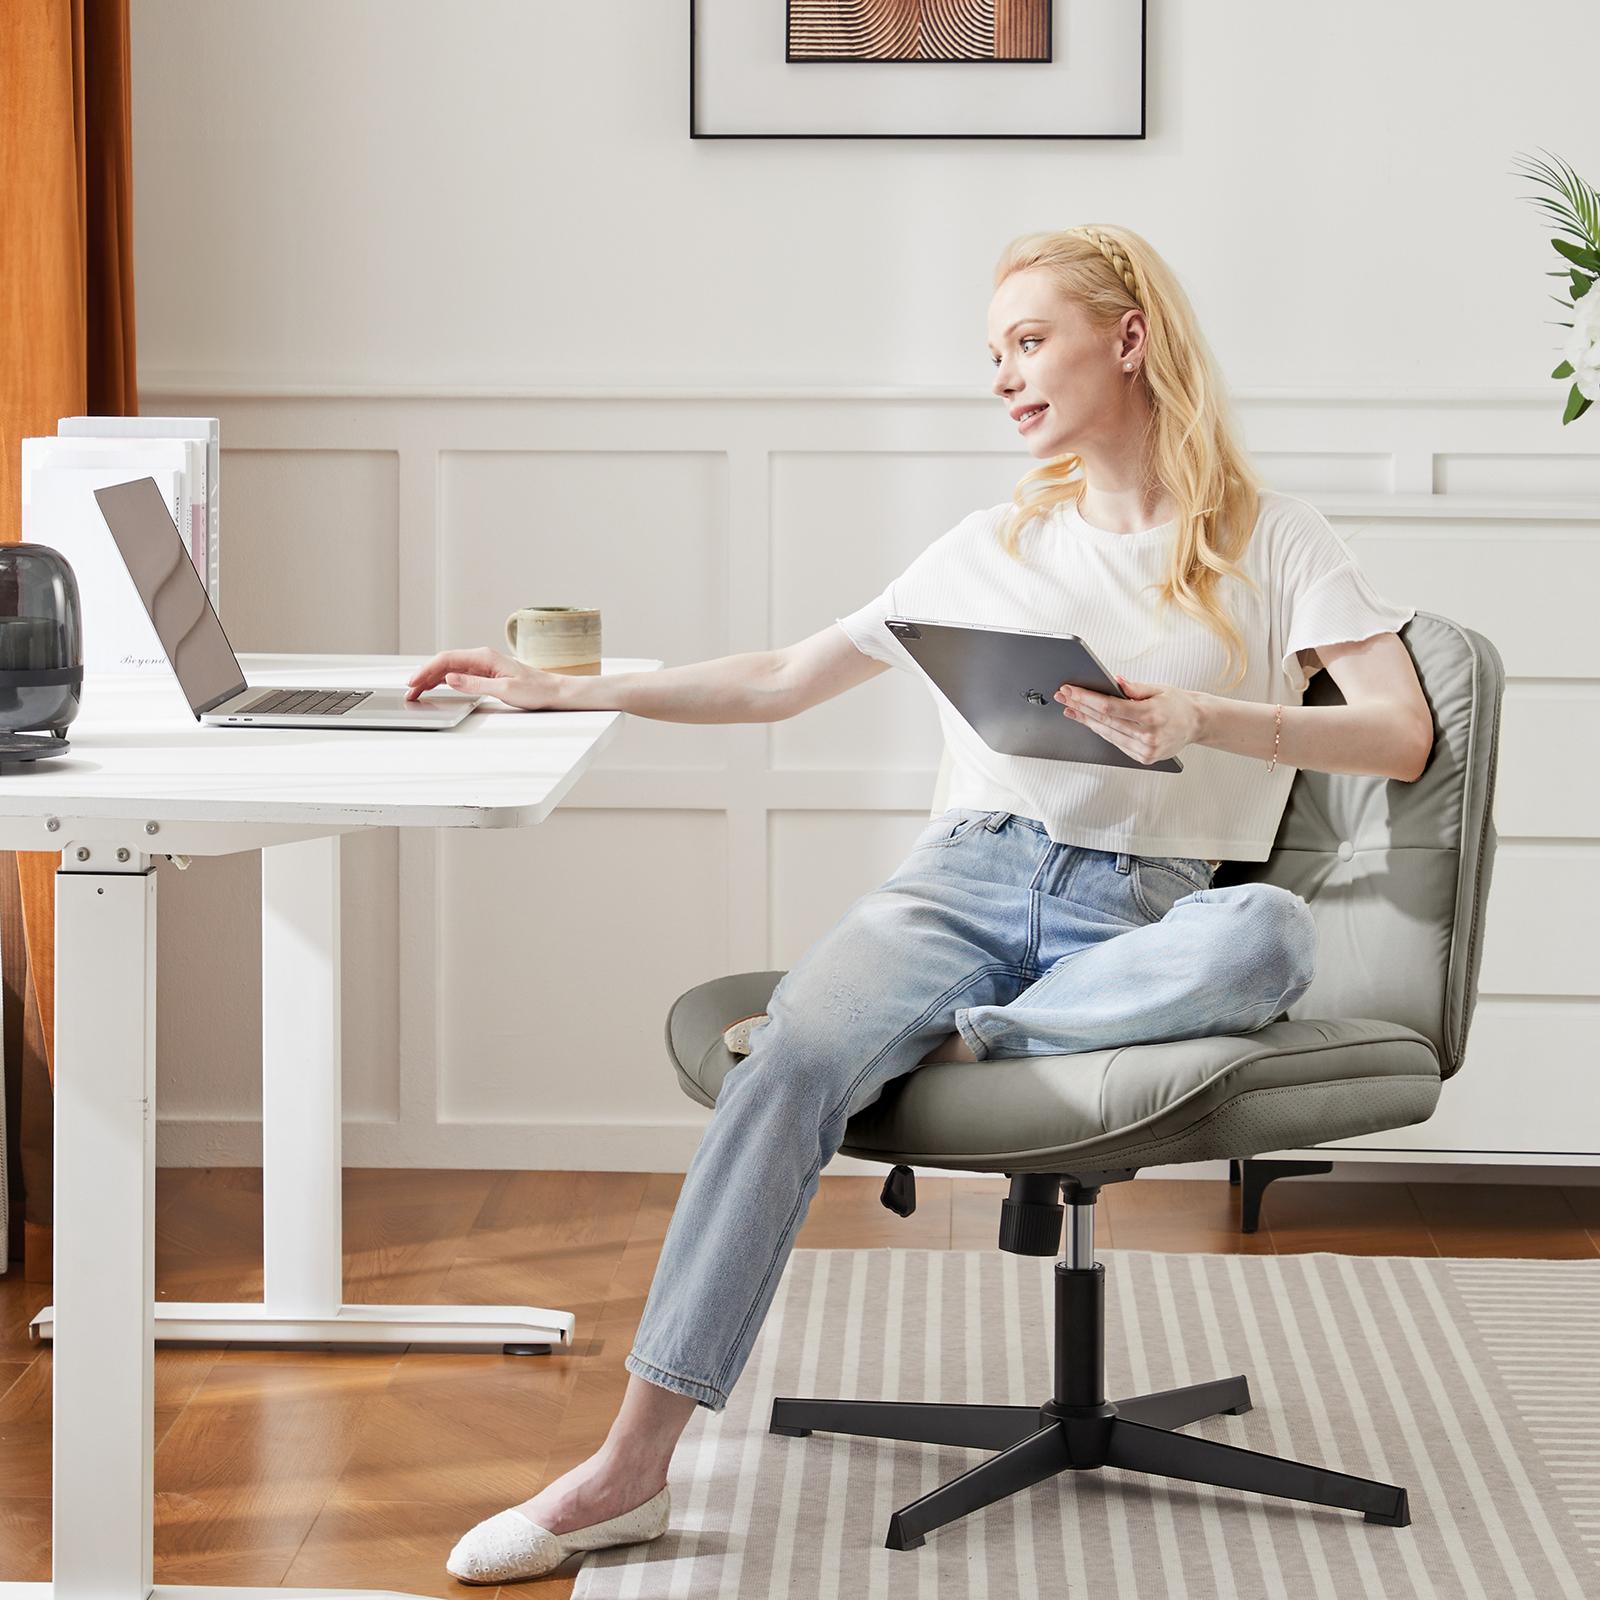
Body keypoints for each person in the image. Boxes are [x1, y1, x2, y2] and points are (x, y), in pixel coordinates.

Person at [407, 224, 1433, 1583]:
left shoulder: (1274, 537)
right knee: (793, 1064)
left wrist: (1203, 716)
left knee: (1272, 936)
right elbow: (780, 677)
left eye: (1028, 341)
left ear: (1127, 339)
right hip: (967, 876)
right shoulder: (990, 543)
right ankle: (627, 1470)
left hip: (1147, 912)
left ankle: (981, 1038)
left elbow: (1401, 732)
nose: (1004, 376)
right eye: (992, 352)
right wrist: (569, 689)